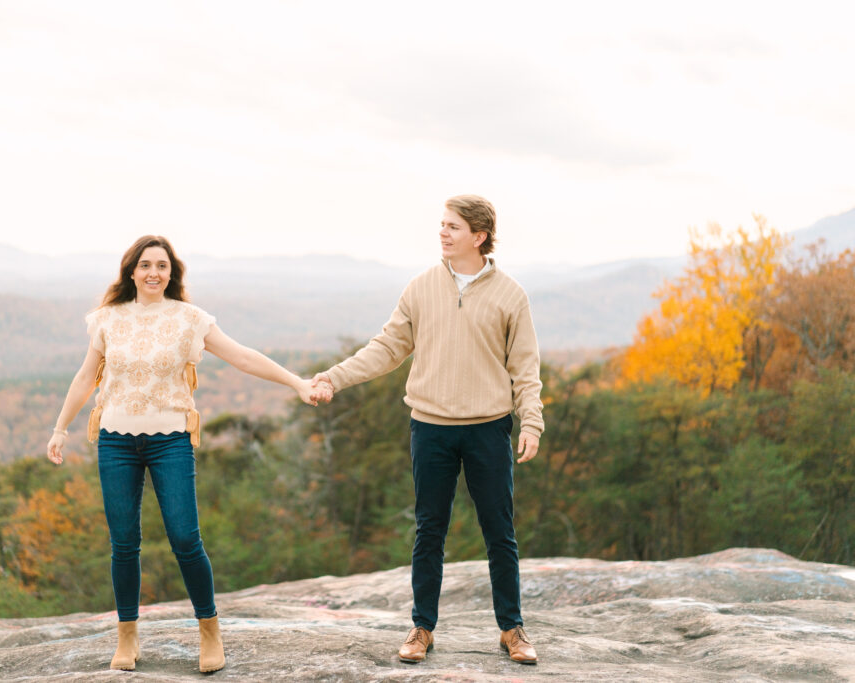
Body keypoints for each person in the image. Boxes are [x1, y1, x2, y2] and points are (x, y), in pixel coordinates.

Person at [46, 235, 328, 673]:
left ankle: (209, 630)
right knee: (124, 544)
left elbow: (243, 358)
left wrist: (297, 383)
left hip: (170, 439)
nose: (154, 273)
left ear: (172, 273)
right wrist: (60, 428)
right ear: (131, 272)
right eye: (145, 265)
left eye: (162, 266)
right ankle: (127, 636)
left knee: (185, 538)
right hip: (116, 441)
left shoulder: (189, 319)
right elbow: (87, 376)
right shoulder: (107, 319)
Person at [312, 195, 544, 666]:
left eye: (453, 227)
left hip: (488, 429)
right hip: (431, 429)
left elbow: (525, 367)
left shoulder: (510, 295)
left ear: (479, 237)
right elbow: (386, 348)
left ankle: (512, 630)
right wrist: (333, 377)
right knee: (429, 531)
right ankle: (422, 629)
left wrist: (532, 422)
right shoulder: (420, 288)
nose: (443, 233)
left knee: (499, 532)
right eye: (442, 225)